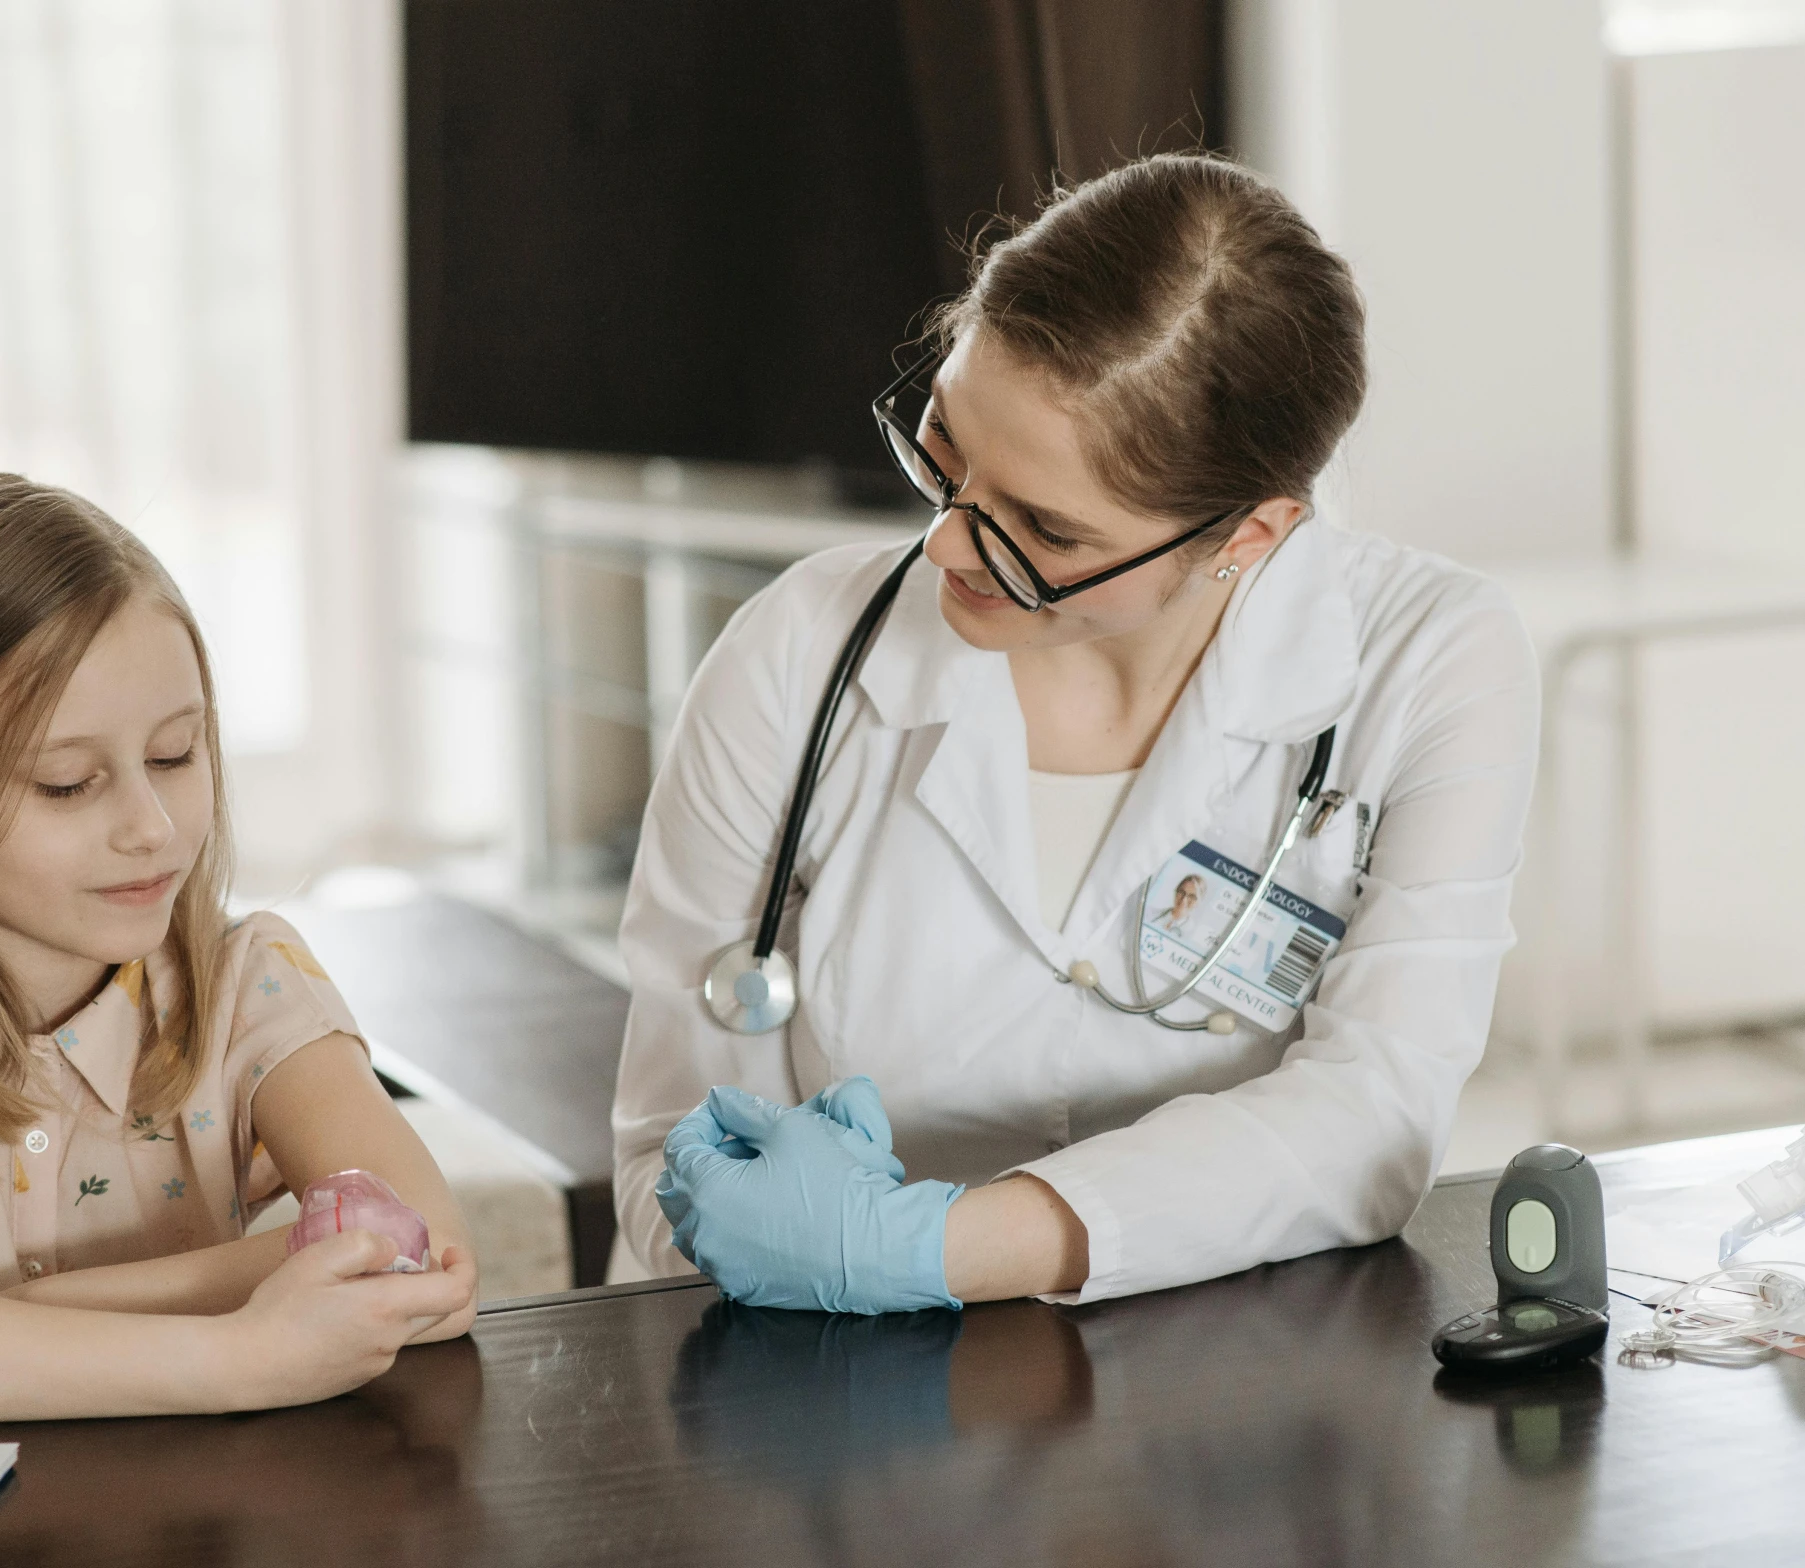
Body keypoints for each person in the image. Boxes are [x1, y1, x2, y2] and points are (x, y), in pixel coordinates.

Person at [611, 154, 1538, 1312]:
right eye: (943, 450)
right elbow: (672, 1151)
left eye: (1044, 527)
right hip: (820, 1384)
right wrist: (757, 1231)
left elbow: (1375, 1113)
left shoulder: (1432, 656)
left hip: (1233, 1391)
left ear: (1251, 534)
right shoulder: (800, 650)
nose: (948, 547)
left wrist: (922, 1246)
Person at [0, 475, 476, 1422]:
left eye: (177, 755)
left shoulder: (248, 980)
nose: (149, 827)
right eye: (67, 783)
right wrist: (238, 1353)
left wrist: (39, 1311)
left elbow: (425, 1257)